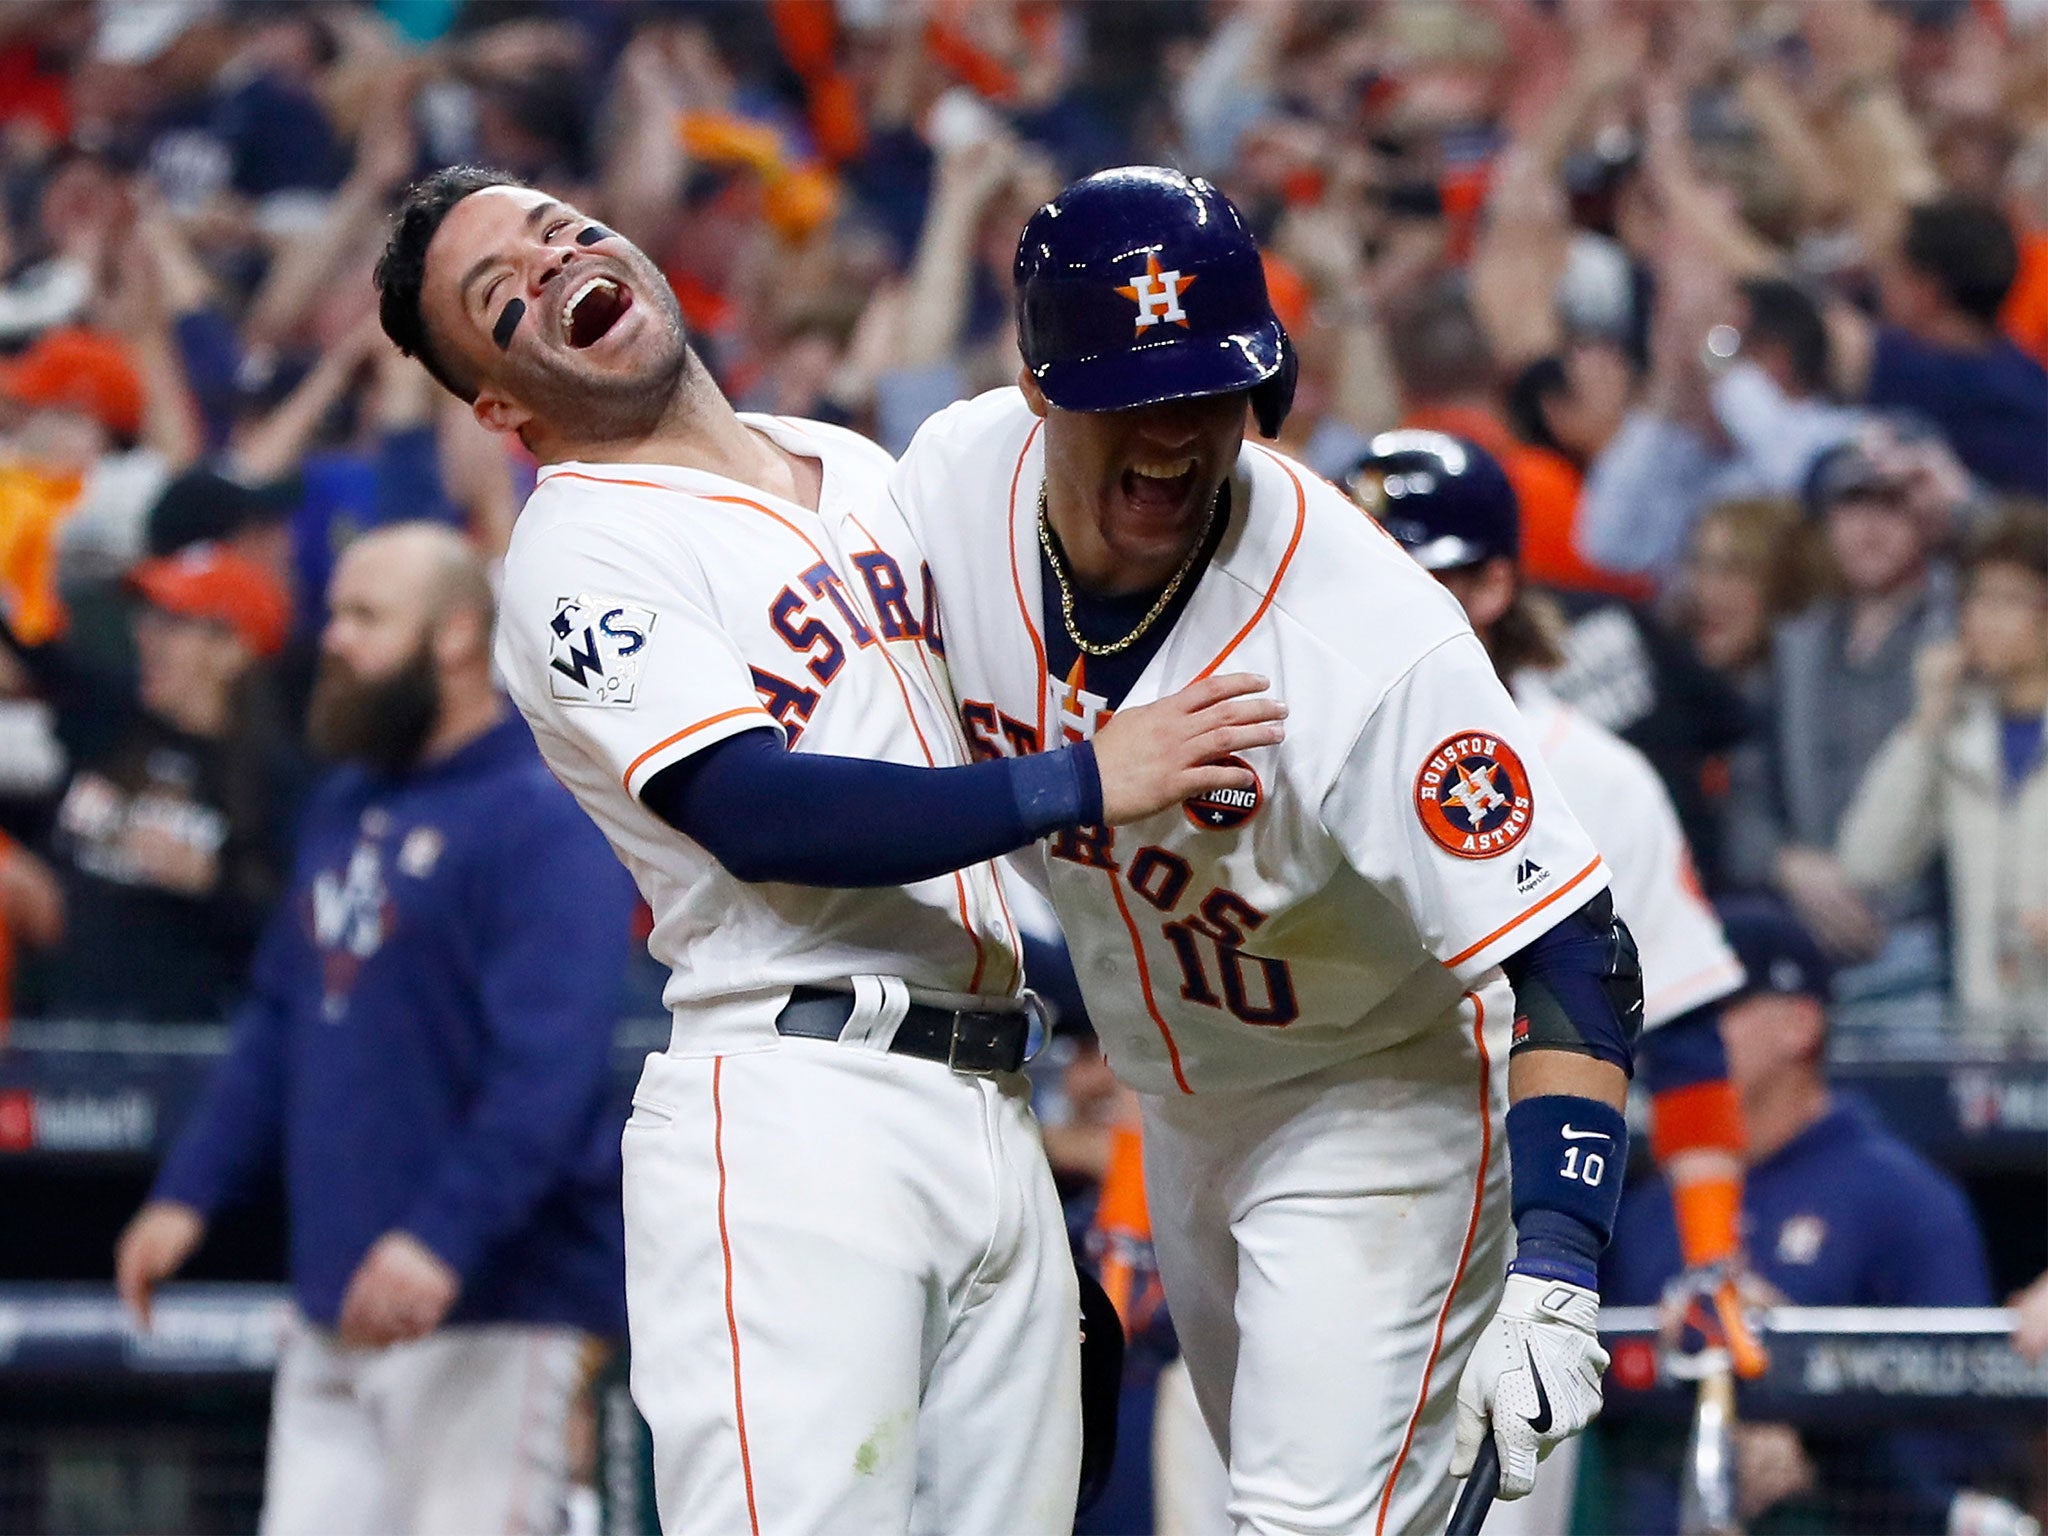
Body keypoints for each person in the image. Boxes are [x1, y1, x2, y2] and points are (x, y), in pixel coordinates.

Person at [372, 165, 1282, 1536]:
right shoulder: (579, 551)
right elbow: (756, 812)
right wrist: (1089, 778)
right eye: (503, 295)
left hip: (989, 1093)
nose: (553, 265)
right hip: (797, 1101)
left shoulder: (853, 467)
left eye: (562, 231)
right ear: (504, 408)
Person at [892, 166, 1646, 1528]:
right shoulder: (952, 482)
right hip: (1182, 1103)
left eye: (1212, 390)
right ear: (1038, 384)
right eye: (1135, 397)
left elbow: (1578, 955)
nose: (1178, 437)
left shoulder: (1365, 635)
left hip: (1379, 1097)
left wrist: (1558, 1264)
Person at [114, 523, 637, 1534]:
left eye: (365, 617)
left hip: (490, 1300)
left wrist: (441, 1239)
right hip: (335, 1295)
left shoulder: (541, 813)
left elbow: (550, 1073)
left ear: (452, 637)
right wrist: (186, 1192)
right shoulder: (345, 802)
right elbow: (279, 1016)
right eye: (336, 612)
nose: (334, 640)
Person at [1348, 430, 1766, 1530]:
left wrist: (1711, 1254)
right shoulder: (1277, 731)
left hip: (1513, 1212)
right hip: (1309, 1169)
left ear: (1492, 585)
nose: (1380, 595)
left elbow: (1674, 1028)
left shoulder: (1591, 772)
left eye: (1420, 569)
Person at [1604, 897, 1997, 1534]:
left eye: (1715, 1012)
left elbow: (1969, 1431)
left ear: (1799, 1024)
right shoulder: (1651, 1201)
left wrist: (1818, 1444)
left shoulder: (1901, 1197)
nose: (1683, 1038)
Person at [3, 540, 302, 1022]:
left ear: (233, 649)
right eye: (147, 618)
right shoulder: (109, 723)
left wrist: (211, 883)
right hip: (52, 1038)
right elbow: (36, 646)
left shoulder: (276, 779)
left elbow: (294, 936)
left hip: (180, 1057)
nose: (147, 635)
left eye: (174, 622)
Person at [1723, 430, 1961, 1002]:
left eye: (1893, 504)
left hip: (1926, 947)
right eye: (1853, 504)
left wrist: (1958, 505)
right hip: (1800, 945)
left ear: (1926, 519)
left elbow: (2019, 558)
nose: (1871, 527)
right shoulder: (1792, 647)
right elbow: (1741, 798)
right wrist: (1788, 864)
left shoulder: (1960, 634)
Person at [1837, 504, 2048, 1024]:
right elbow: (1868, 862)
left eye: (2009, 600)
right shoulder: (1958, 734)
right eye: (1976, 598)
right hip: (1984, 1036)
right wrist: (1926, 721)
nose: (1983, 619)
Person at [1830, 197, 2048, 499]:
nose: (1879, 282)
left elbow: (1810, 326)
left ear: (1927, 290)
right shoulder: (2020, 365)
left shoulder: (1932, 376)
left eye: (1893, 270)